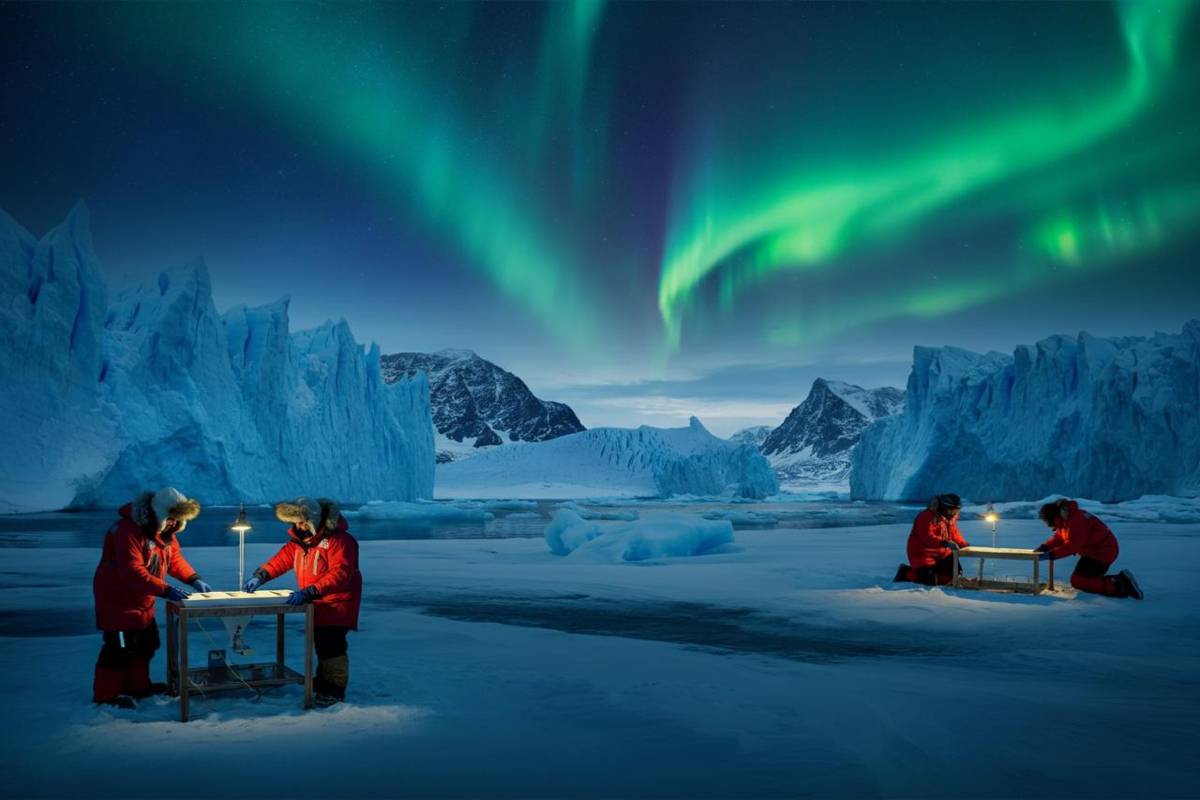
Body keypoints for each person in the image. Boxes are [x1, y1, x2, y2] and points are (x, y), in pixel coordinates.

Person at [92, 487, 208, 708]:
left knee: (146, 643)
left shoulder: (165, 536)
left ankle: (138, 687)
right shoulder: (127, 531)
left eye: (179, 520)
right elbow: (132, 572)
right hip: (118, 601)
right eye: (172, 519)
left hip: (142, 601)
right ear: (160, 514)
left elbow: (174, 561)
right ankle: (106, 696)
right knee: (119, 650)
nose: (175, 524)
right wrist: (166, 590)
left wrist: (194, 578)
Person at [243, 497, 361, 707]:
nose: (299, 526)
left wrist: (311, 591)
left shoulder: (340, 541)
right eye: (296, 522)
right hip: (316, 602)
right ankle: (323, 683)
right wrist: (259, 576)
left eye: (303, 522)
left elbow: (341, 574)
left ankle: (334, 689)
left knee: (332, 647)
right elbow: (280, 561)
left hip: (337, 604)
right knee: (322, 644)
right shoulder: (300, 543)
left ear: (313, 520)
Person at [1036, 498, 1143, 600]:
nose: (1049, 526)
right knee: (1080, 580)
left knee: (1080, 581)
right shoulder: (1067, 519)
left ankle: (1119, 584)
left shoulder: (1076, 520)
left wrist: (1051, 555)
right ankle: (1119, 580)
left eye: (1048, 522)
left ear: (1054, 517)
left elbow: (1073, 546)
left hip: (1102, 552)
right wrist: (1045, 546)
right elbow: (1059, 537)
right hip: (1094, 551)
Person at [894, 493, 970, 585]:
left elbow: (955, 534)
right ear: (944, 508)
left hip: (943, 552)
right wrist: (944, 543)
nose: (955, 513)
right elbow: (926, 537)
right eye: (953, 510)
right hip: (922, 553)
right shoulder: (927, 517)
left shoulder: (950, 519)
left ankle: (945, 578)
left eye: (957, 510)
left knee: (956, 573)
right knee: (929, 580)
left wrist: (964, 545)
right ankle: (905, 573)